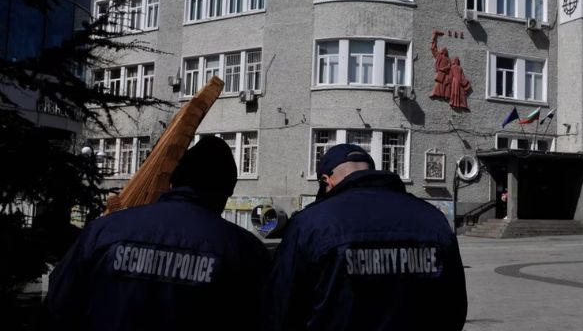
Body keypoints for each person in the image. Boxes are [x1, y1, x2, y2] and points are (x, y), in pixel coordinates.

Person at [47, 136, 270, 331]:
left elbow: (57, 308)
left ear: (173, 181)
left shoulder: (104, 231)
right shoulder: (244, 251)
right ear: (226, 191)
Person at [264, 143, 467, 331]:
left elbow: (280, 308)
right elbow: (454, 309)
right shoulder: (433, 219)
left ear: (327, 180)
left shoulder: (310, 223)